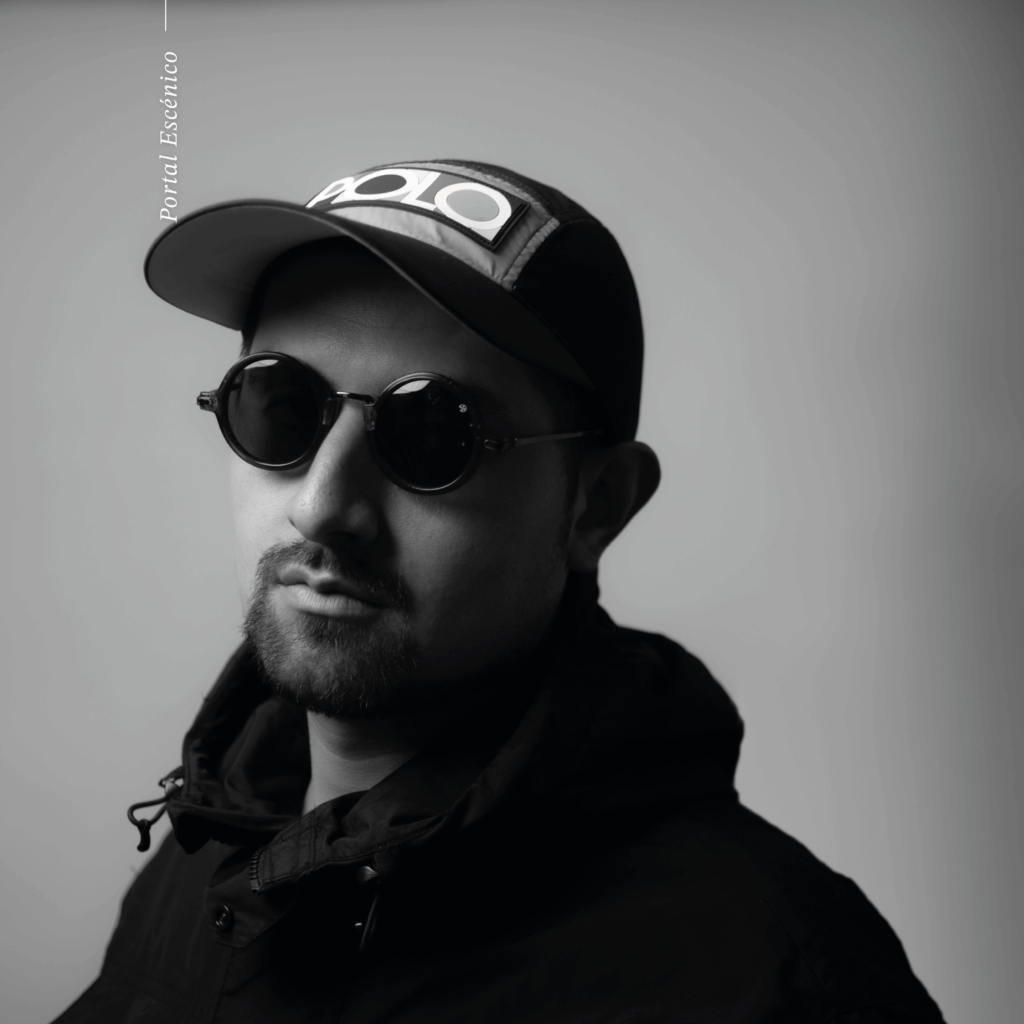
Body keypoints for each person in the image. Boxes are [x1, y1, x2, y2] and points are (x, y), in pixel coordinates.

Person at [54, 159, 946, 1023]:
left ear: (597, 505)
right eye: (282, 406)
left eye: (431, 432)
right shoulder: (202, 863)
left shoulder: (779, 980)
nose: (322, 507)